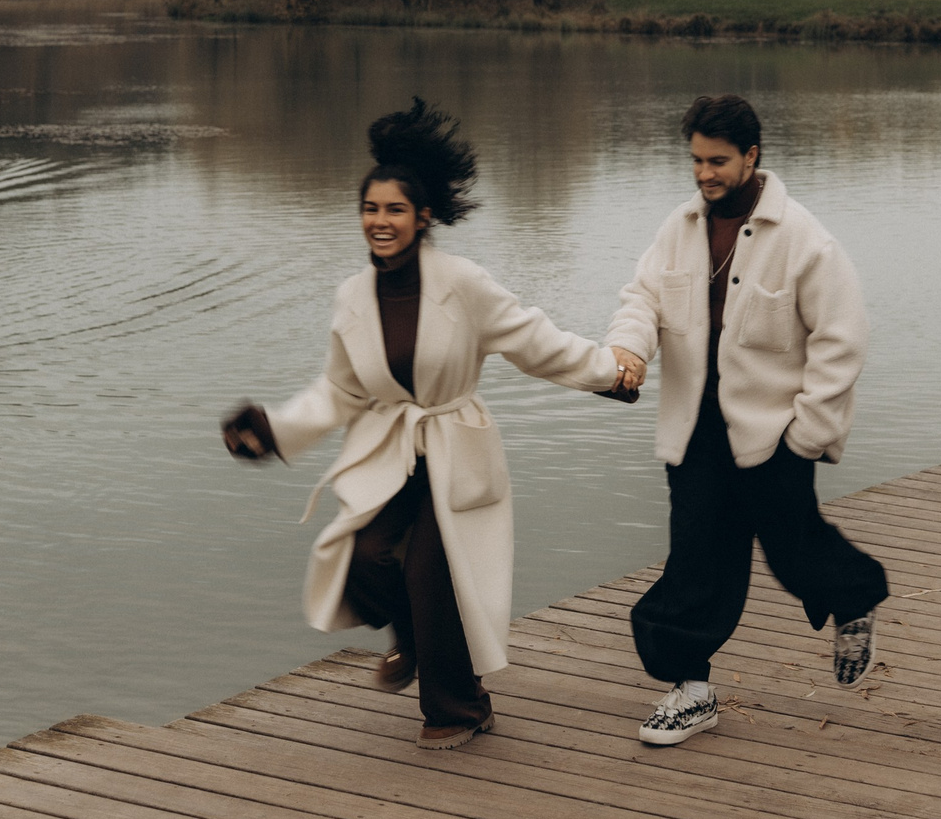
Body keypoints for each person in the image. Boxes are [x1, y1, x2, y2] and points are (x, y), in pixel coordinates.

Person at [221, 99, 634, 748]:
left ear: (422, 217)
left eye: (393, 210)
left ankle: (459, 706)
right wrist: (271, 428)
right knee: (360, 559)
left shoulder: (463, 284)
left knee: (430, 574)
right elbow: (338, 389)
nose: (379, 221)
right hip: (388, 448)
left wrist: (611, 372)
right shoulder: (353, 296)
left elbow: (536, 340)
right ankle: (411, 641)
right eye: (370, 209)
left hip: (453, 449)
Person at [604, 92, 890, 746]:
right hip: (694, 429)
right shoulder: (679, 228)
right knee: (697, 556)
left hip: (773, 433)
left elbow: (842, 338)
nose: (705, 173)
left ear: (752, 156)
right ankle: (692, 690)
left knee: (793, 552)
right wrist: (627, 347)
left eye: (719, 160)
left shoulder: (805, 240)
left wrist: (809, 431)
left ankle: (855, 595)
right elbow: (641, 298)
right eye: (697, 160)